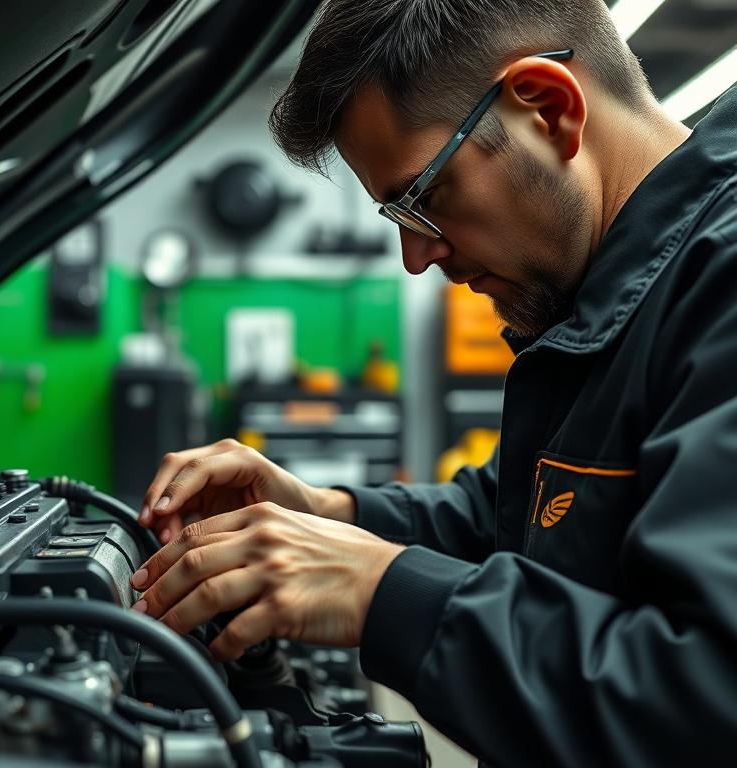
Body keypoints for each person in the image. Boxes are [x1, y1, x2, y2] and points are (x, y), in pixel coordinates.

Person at [128, 1, 737, 765]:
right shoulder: (616, 293)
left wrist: (382, 590)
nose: (417, 258)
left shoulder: (720, 280)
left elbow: (709, 696)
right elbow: (528, 513)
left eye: (425, 196)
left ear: (548, 111)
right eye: (395, 215)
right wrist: (330, 514)